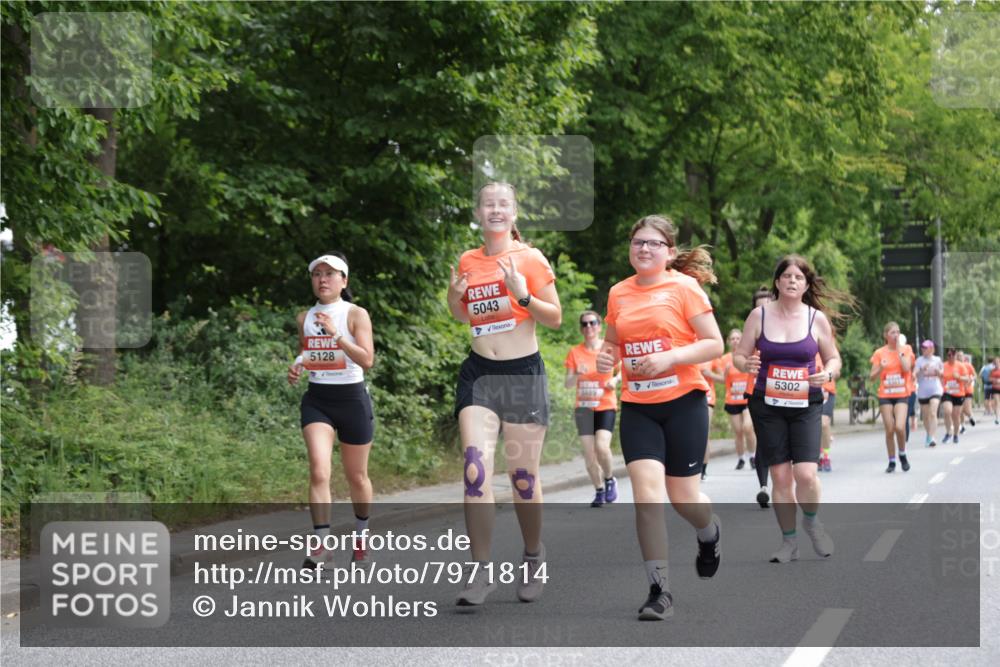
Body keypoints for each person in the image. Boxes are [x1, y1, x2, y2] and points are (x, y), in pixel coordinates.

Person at [596, 214, 724, 621]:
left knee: (683, 499)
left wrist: (670, 356)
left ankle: (709, 532)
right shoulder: (619, 293)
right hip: (638, 407)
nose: (644, 249)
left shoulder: (685, 288)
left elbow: (714, 344)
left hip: (684, 401)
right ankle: (660, 590)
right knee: (647, 497)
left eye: (653, 243)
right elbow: (613, 343)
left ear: (669, 253)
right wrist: (606, 355)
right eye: (638, 242)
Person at [448, 181, 561, 606]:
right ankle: (480, 572)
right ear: (478, 212)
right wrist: (453, 297)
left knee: (523, 479)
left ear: (514, 213)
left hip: (521, 375)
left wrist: (524, 294)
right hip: (479, 374)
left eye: (503, 204)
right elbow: (463, 315)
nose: (495, 210)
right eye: (487, 203)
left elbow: (554, 317)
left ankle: (533, 556)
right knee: (475, 471)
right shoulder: (468, 260)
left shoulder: (529, 258)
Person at [733, 255, 847, 564]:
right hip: (766, 403)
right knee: (781, 477)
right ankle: (789, 542)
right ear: (777, 281)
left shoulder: (815, 319)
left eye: (799, 277)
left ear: (806, 284)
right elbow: (739, 356)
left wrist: (828, 373)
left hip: (806, 403)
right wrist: (747, 363)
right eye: (787, 276)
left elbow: (834, 358)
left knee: (806, 474)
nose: (792, 281)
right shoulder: (759, 316)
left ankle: (811, 520)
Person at [288, 252, 376, 569]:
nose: (322, 279)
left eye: (330, 273)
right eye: (317, 274)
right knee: (319, 470)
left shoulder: (355, 314)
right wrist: (297, 366)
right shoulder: (304, 317)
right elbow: (307, 351)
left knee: (357, 477)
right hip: (318, 400)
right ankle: (322, 547)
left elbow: (367, 360)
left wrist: (337, 335)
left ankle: (362, 538)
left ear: (344, 281)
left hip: (352, 400)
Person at [565, 310, 619, 507]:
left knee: (602, 446)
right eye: (585, 324)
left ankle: (610, 478)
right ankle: (599, 490)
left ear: (599, 325)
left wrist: (615, 379)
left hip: (605, 405)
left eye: (592, 323)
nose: (589, 327)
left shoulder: (609, 349)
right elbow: (568, 384)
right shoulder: (575, 352)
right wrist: (577, 374)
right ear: (581, 328)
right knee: (589, 454)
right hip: (584, 408)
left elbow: (626, 370)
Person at [708, 329, 756, 473]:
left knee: (748, 427)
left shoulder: (749, 356)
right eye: (733, 338)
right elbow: (721, 380)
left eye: (738, 338)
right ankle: (741, 458)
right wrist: (721, 374)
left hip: (748, 398)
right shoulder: (724, 360)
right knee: (739, 432)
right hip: (732, 399)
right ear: (729, 342)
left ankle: (753, 456)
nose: (735, 341)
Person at [870, 322, 913, 473]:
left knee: (900, 427)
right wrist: (881, 367)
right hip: (885, 395)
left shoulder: (906, 349)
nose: (896, 335)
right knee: (889, 429)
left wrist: (900, 351)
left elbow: (907, 368)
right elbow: (872, 377)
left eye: (898, 332)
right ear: (886, 335)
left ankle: (902, 454)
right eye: (893, 332)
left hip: (901, 394)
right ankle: (892, 461)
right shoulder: (879, 353)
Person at [750, 287, 773, 507]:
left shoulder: (788, 327)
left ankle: (786, 484)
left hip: (784, 392)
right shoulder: (751, 329)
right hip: (756, 391)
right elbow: (737, 357)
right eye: (759, 308)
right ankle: (764, 487)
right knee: (763, 439)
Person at [914, 340, 943, 447]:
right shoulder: (919, 360)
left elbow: (942, 374)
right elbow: (914, 374)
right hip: (923, 391)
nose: (923, 349)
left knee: (932, 413)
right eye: (922, 347)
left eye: (925, 348)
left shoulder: (937, 360)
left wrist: (938, 373)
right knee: (926, 416)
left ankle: (932, 437)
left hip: (935, 389)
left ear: (931, 349)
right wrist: (922, 369)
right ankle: (929, 434)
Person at [815, 352, 837, 472]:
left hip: (827, 391)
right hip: (809, 391)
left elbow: (837, 370)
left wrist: (828, 373)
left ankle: (826, 456)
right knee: (814, 426)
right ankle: (817, 456)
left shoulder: (827, 346)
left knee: (824, 424)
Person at [941, 348, 965, 444]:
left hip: (959, 393)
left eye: (953, 355)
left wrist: (959, 377)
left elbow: (967, 378)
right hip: (947, 392)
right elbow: (939, 377)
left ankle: (955, 434)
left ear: (955, 356)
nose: (951, 357)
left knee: (956, 416)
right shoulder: (943, 366)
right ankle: (948, 432)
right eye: (949, 355)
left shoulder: (960, 366)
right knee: (947, 411)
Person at [899, 333, 918, 443]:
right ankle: (901, 437)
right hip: (895, 391)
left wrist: (914, 374)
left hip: (909, 390)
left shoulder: (908, 351)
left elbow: (912, 365)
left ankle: (904, 440)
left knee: (905, 415)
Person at [958, 351, 977, 433]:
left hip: (968, 390)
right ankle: (962, 426)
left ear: (963, 357)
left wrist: (971, 379)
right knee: (960, 409)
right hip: (958, 391)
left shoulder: (968, 365)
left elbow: (975, 375)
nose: (959, 357)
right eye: (958, 356)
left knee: (966, 408)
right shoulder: (955, 366)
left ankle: (970, 416)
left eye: (961, 356)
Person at [989, 356, 1000, 424]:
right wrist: (995, 380)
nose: (996, 363)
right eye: (995, 362)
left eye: (997, 362)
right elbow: (989, 379)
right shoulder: (992, 371)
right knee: (997, 402)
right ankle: (997, 418)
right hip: (995, 388)